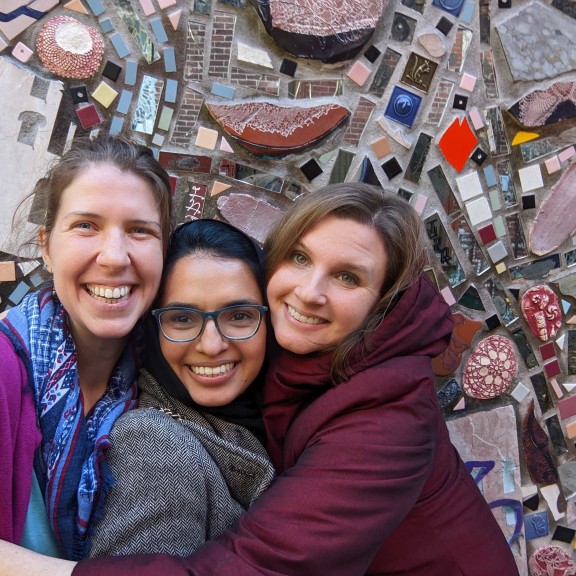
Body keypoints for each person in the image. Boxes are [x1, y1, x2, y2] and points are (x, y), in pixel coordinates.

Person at [0, 183, 519, 575]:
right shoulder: (157, 441)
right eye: (299, 257)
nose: (309, 291)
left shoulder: (386, 416)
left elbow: (264, 565)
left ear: (381, 301)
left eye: (347, 276)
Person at [0, 135, 172, 560]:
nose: (114, 257)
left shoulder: (176, 380)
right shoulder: (4, 369)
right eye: (85, 225)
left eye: (139, 230)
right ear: (46, 246)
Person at [88, 219, 275, 557]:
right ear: (153, 327)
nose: (212, 345)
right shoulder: (152, 444)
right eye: (182, 319)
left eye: (239, 315)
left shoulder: (285, 419)